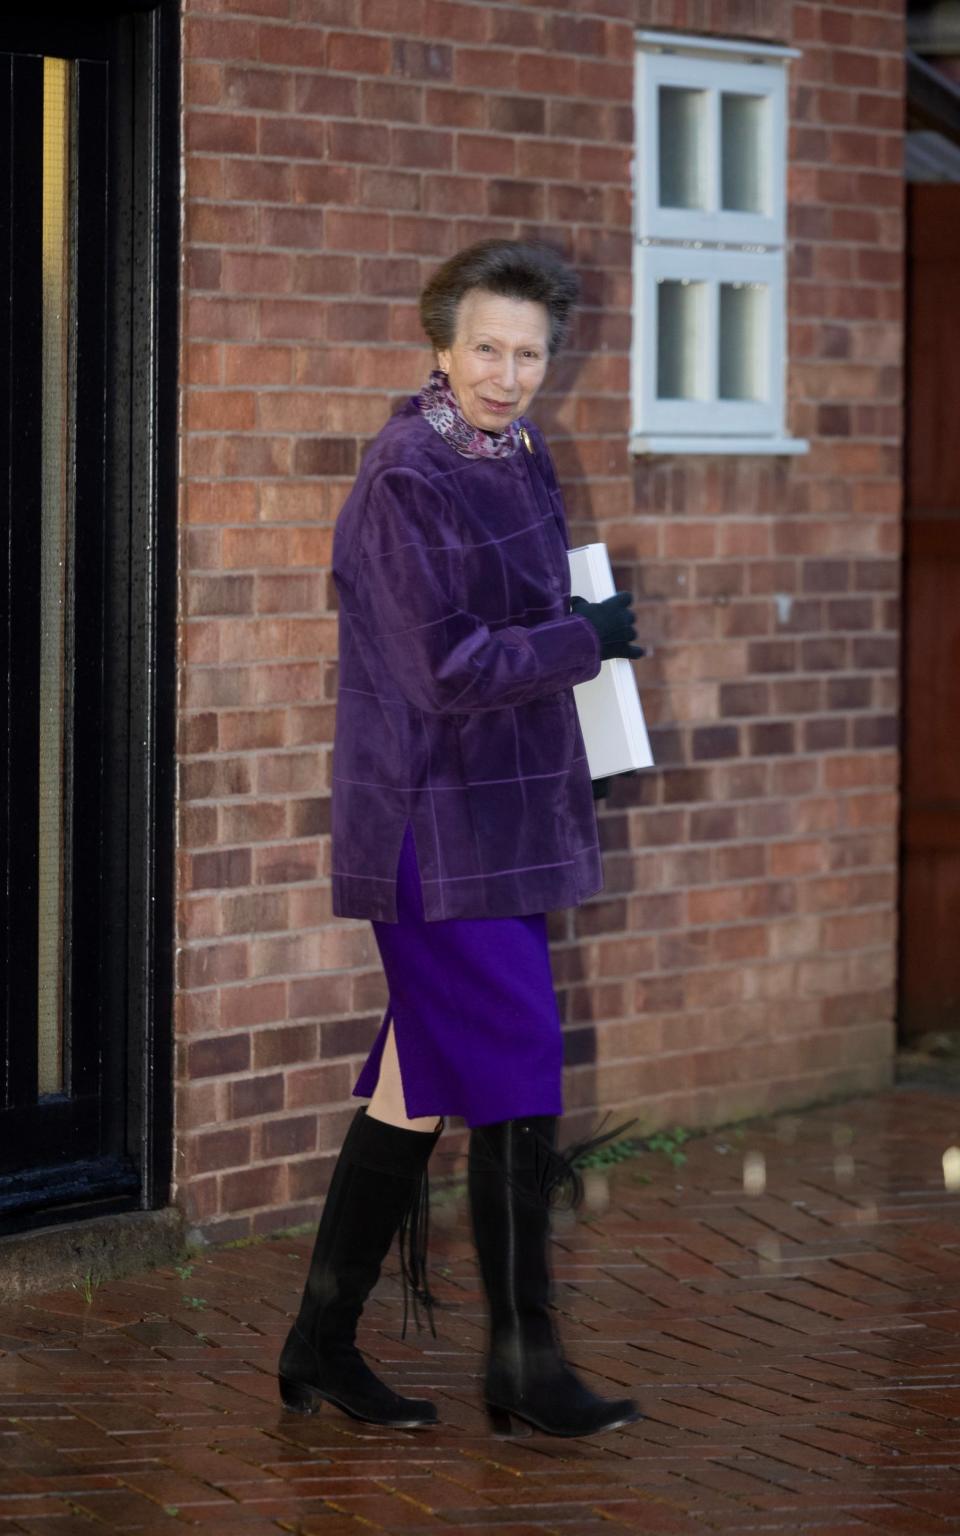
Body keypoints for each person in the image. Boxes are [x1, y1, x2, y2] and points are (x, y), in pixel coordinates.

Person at [278, 239, 645, 1438]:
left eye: (529, 353)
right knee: (519, 1070)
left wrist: (577, 625)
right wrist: (585, 641)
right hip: (432, 825)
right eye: (486, 347)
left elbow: (523, 620)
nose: (506, 372)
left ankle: (318, 1346)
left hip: (508, 812)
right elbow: (440, 670)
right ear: (440, 342)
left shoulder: (524, 454)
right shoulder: (406, 476)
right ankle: (522, 1364)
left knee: (413, 1090)